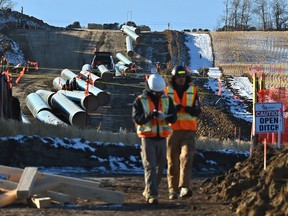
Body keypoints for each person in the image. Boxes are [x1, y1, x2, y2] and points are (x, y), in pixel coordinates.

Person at [132, 74, 177, 204]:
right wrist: (151, 115)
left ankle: (149, 190)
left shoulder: (167, 100)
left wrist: (166, 117)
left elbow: (173, 118)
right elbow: (137, 118)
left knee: (160, 167)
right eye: (156, 93)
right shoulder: (140, 100)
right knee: (150, 166)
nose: (158, 95)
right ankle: (152, 195)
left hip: (162, 137)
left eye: (160, 92)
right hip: (147, 138)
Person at [165, 65, 201, 200]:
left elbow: (198, 110)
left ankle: (184, 187)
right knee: (172, 162)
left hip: (188, 131)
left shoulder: (193, 91)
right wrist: (173, 109)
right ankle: (172, 190)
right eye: (178, 77)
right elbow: (162, 110)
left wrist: (188, 109)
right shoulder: (166, 92)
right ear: (174, 78)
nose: (181, 79)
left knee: (187, 157)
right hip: (172, 132)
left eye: (183, 77)